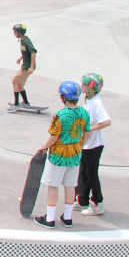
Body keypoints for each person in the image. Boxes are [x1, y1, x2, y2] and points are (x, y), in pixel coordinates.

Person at [33, 80, 91, 229]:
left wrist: (44, 148)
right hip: (75, 156)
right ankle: (67, 217)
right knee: (70, 186)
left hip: (58, 157)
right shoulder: (84, 112)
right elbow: (87, 133)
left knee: (53, 186)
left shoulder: (60, 115)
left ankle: (50, 219)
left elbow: (54, 137)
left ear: (63, 97)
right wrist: (80, 146)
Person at [76, 73, 111, 216]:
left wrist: (88, 129)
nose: (81, 86)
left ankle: (98, 204)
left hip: (94, 146)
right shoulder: (89, 99)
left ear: (92, 88)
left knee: (91, 175)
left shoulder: (96, 102)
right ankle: (82, 200)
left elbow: (106, 122)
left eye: (84, 84)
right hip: (87, 144)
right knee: (83, 173)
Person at [10, 24, 36, 108]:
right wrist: (21, 58)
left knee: (15, 81)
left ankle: (16, 104)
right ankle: (25, 102)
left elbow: (33, 52)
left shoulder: (26, 41)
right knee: (19, 84)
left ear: (19, 33)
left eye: (14, 32)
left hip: (27, 67)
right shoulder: (22, 40)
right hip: (25, 65)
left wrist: (31, 67)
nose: (13, 33)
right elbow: (26, 52)